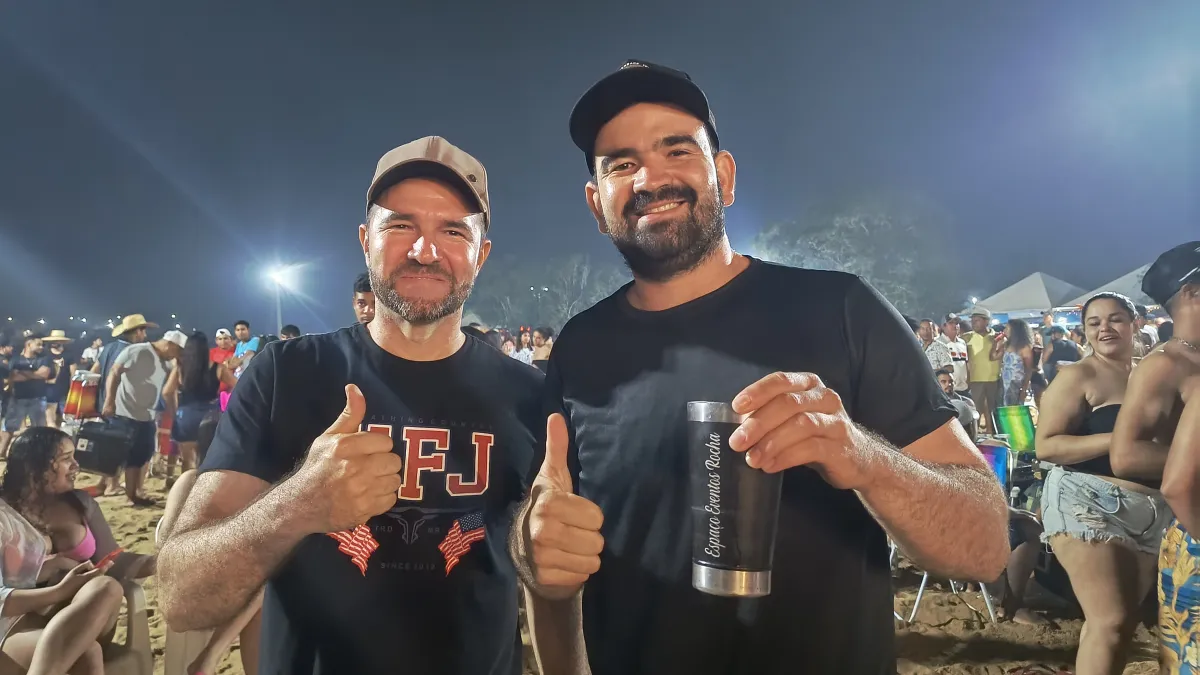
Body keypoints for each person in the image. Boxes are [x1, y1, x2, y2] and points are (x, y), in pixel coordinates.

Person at [514, 60, 1009, 675]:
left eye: (677, 150)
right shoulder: (580, 346)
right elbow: (550, 544)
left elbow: (986, 546)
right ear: (596, 203)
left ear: (723, 175)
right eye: (620, 164)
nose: (651, 178)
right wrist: (534, 544)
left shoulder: (841, 310)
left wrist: (863, 458)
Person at [157, 136, 544, 675]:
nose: (424, 250)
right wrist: (298, 504)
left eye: (453, 231)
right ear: (366, 241)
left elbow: (546, 577)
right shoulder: (285, 374)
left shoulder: (530, 395)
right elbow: (181, 596)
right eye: (401, 226)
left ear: (481, 254)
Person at [1035, 292, 1168, 675]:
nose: (1105, 328)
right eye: (1094, 323)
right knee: (1110, 621)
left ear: (1134, 323)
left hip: (1153, 511)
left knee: (1122, 625)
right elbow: (1047, 445)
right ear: (1085, 331)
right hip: (1088, 500)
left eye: (1115, 319)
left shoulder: (1152, 373)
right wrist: (1119, 438)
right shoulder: (1078, 376)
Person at [1111, 241, 1200, 671]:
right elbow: (1125, 455)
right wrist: (1188, 465)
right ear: (1191, 292)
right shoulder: (1165, 364)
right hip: (1192, 523)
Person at [0, 430, 126, 675]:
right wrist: (60, 590)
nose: (76, 465)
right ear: (35, 468)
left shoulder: (76, 502)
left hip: (52, 616)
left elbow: (115, 557)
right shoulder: (4, 517)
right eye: (66, 458)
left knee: (107, 587)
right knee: (88, 653)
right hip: (9, 628)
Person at [101, 330, 187, 507]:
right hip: (124, 412)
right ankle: (116, 488)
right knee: (122, 455)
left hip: (147, 415)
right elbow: (114, 373)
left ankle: (133, 494)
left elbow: (172, 387)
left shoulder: (167, 362)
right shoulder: (137, 351)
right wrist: (109, 401)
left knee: (142, 455)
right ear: (170, 344)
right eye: (178, 351)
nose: (177, 356)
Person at [163, 332, 230, 482]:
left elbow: (166, 392)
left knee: (188, 462)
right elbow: (239, 385)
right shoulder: (218, 368)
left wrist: (174, 411)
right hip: (210, 416)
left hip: (186, 416)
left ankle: (187, 491)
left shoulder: (180, 368)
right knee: (207, 459)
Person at [0, 335, 51, 459]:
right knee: (9, 427)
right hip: (18, 398)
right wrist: (35, 374)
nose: (41, 347)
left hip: (38, 398)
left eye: (42, 345)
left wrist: (23, 373)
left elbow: (44, 374)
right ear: (28, 344)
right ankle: (2, 452)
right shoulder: (16, 360)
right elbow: (13, 377)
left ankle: (38, 455)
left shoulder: (45, 359)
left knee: (39, 429)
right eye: (38, 344)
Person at [964, 308, 1002, 434]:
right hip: (975, 379)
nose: (973, 323)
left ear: (986, 321)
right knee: (977, 410)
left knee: (993, 409)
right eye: (972, 321)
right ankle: (975, 435)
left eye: (977, 321)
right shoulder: (966, 338)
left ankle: (993, 433)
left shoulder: (997, 338)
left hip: (994, 379)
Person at [994, 318, 1035, 406]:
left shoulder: (1025, 347)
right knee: (1002, 407)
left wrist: (1024, 389)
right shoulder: (1006, 344)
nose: (1004, 330)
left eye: (1007, 328)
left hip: (1016, 383)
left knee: (1013, 408)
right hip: (1003, 382)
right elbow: (993, 356)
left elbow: (1028, 370)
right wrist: (996, 341)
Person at [41, 331, 75, 428]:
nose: (54, 343)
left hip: (65, 389)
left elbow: (73, 372)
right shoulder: (45, 354)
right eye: (53, 341)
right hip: (48, 389)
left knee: (64, 416)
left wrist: (73, 388)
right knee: (50, 416)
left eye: (57, 341)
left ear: (62, 342)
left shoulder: (68, 355)